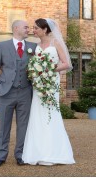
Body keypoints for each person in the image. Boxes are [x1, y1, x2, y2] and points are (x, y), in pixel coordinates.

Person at [22, 18, 75, 165]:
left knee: (51, 113)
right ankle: (37, 152)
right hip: (38, 84)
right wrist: (34, 70)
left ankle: (55, 152)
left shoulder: (55, 43)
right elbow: (34, 63)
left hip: (51, 83)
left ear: (45, 29)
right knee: (37, 114)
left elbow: (66, 64)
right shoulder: (37, 46)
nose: (34, 30)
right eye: (33, 28)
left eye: (36, 28)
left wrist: (49, 69)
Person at [0, 20, 37, 167]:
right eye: (26, 27)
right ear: (16, 28)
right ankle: (1, 156)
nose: (28, 30)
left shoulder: (33, 47)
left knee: (23, 125)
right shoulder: (2, 46)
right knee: (4, 126)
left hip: (25, 92)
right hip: (6, 93)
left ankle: (20, 155)